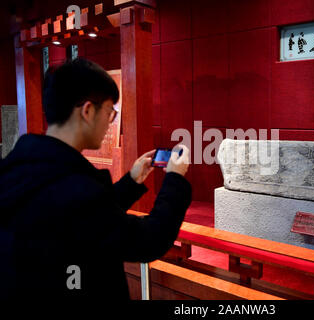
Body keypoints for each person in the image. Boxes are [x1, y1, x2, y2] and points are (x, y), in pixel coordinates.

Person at [0, 58, 191, 300]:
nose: (110, 121)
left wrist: (131, 182)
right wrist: (175, 180)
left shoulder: (17, 169)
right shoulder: (76, 188)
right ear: (88, 111)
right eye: (110, 112)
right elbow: (148, 240)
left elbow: (86, 222)